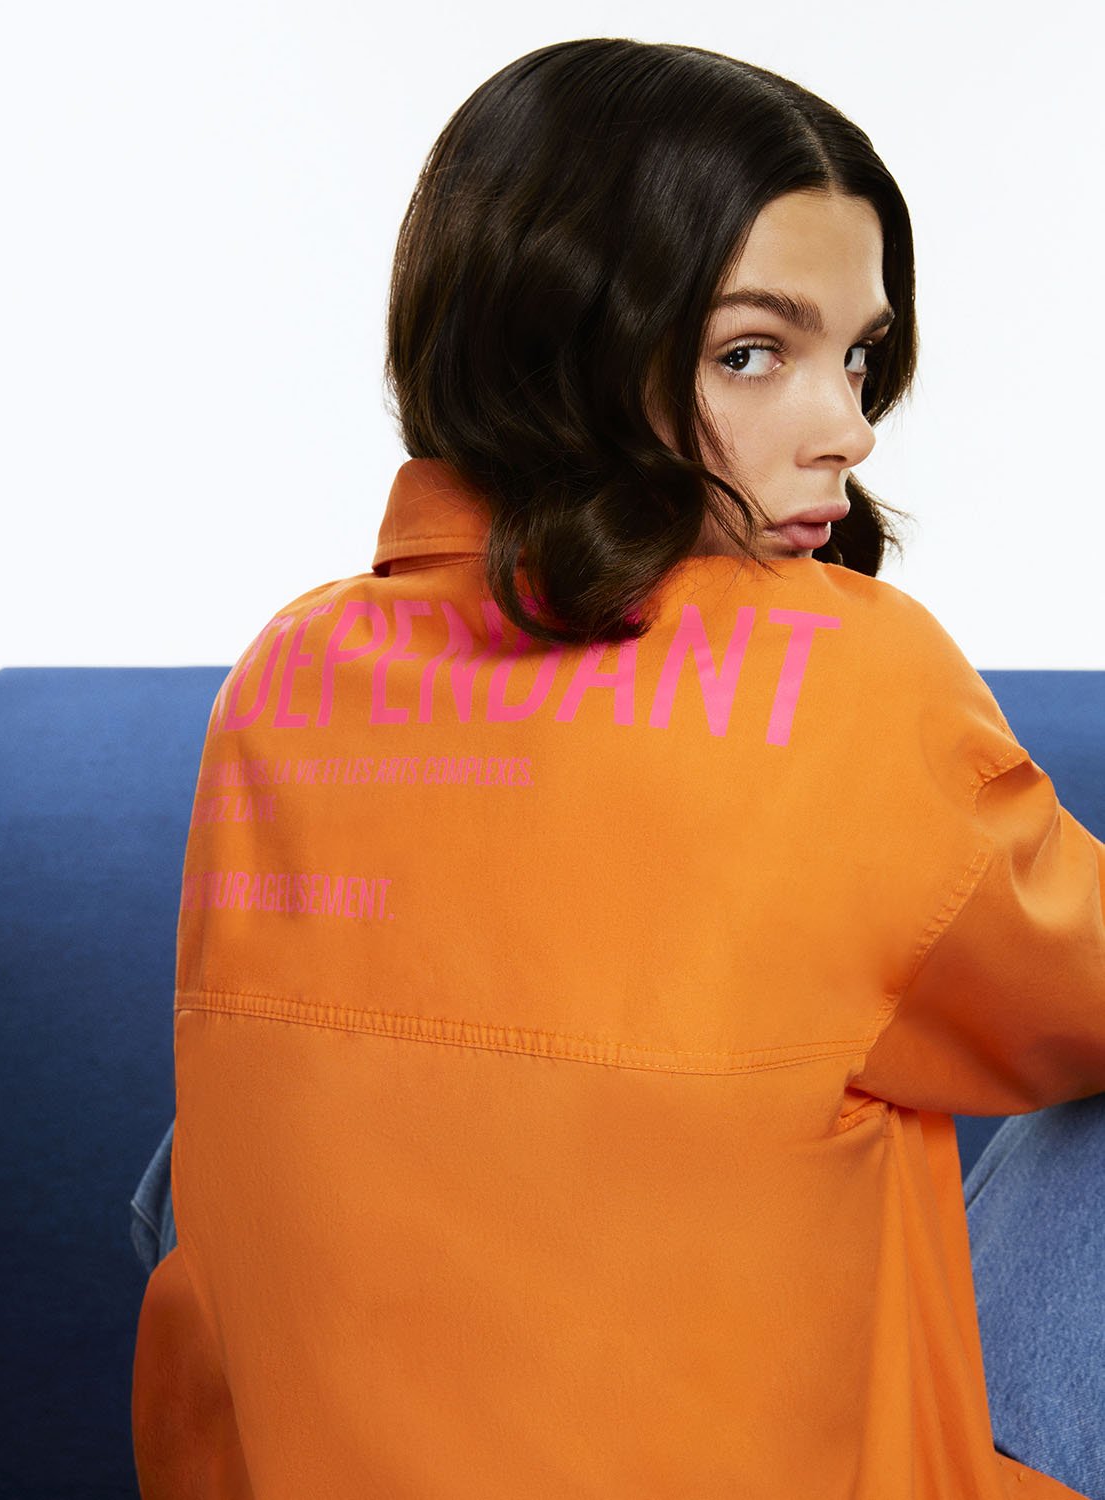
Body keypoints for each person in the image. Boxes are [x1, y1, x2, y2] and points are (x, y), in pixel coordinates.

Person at [130, 37, 1105, 1499]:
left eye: (857, 358)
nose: (846, 429)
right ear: (556, 339)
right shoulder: (855, 676)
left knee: (232, 1125)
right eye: (750, 354)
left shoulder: (282, 669)